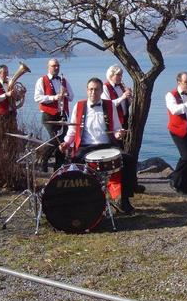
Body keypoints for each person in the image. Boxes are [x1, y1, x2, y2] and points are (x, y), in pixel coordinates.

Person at [59, 78, 137, 214]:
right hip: (86, 146)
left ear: (101, 91)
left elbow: (117, 129)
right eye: (90, 89)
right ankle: (82, 200)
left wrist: (119, 134)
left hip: (107, 146)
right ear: (87, 90)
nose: (93, 92)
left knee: (128, 160)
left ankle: (124, 200)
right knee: (75, 163)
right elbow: (72, 130)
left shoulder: (110, 105)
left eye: (96, 89)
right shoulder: (79, 106)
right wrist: (66, 143)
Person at [101, 64, 145, 194]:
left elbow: (127, 104)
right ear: (111, 75)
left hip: (125, 120)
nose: (120, 77)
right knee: (118, 151)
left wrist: (130, 98)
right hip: (113, 123)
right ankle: (118, 183)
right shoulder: (105, 87)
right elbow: (107, 105)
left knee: (126, 149)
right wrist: (122, 97)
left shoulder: (121, 86)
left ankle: (128, 182)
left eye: (121, 75)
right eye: (118, 75)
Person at [34, 58, 74, 171]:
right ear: (48, 67)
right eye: (53, 66)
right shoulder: (42, 80)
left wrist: (65, 94)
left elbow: (71, 97)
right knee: (54, 138)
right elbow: (37, 97)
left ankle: (58, 166)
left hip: (61, 114)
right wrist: (54, 97)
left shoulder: (63, 80)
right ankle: (43, 159)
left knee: (64, 139)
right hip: (48, 114)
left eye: (57, 66)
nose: (56, 68)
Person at [0, 64, 18, 129]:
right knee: (1, 134)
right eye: (4, 73)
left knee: (14, 133)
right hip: (0, 115)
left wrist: (19, 95)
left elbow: (15, 99)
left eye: (7, 72)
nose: (7, 74)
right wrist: (5, 95)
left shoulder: (11, 84)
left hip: (12, 114)